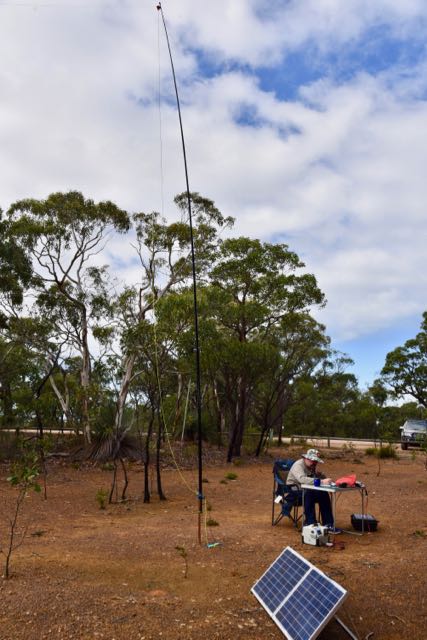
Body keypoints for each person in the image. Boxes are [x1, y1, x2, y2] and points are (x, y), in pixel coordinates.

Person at [285, 448, 335, 529]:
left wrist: (324, 479)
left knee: (323, 493)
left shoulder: (311, 466)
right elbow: (302, 479)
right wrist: (321, 481)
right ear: (306, 458)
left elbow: (315, 479)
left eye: (316, 461)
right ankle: (310, 523)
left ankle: (328, 524)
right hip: (294, 492)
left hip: (306, 490)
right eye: (313, 461)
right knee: (309, 494)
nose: (314, 463)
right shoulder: (298, 465)